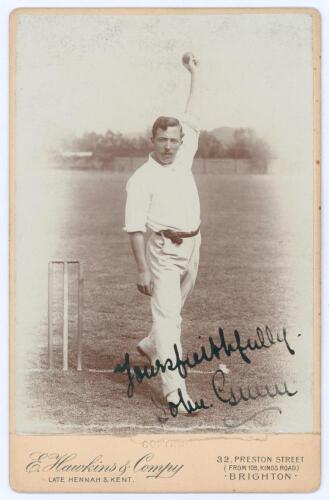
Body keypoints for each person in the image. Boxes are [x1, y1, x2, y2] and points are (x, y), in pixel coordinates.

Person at [123, 53, 201, 415]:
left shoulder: (184, 157)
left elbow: (193, 111)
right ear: (151, 140)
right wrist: (143, 270)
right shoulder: (142, 179)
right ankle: (175, 392)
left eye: (174, 139)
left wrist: (194, 74)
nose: (168, 146)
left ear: (180, 140)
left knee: (175, 312)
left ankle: (152, 344)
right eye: (162, 140)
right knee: (170, 321)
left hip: (194, 244)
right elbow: (135, 228)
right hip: (163, 251)